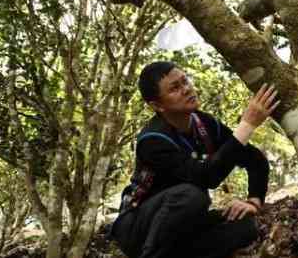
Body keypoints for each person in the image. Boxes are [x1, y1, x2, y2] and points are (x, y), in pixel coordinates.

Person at [111, 61, 280, 258]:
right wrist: (247, 125)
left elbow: (255, 160)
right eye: (175, 88)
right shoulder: (153, 140)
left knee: (244, 227)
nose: (186, 89)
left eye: (185, 81)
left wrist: (253, 202)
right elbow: (205, 177)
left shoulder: (204, 124)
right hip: (138, 228)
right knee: (191, 195)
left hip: (183, 224)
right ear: (156, 105)